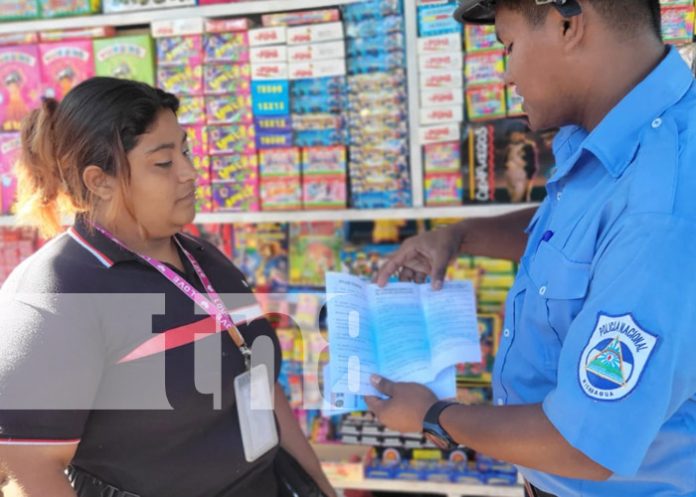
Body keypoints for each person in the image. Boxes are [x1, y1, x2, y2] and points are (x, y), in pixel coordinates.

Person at [370, 1, 696, 496]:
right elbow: (575, 235)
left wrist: (433, 416)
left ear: (569, 24)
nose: (505, 75)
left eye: (509, 45)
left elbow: (583, 444)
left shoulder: (662, 204)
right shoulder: (616, 141)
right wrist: (459, 237)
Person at [0, 77, 335, 497]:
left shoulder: (205, 258)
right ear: (99, 180)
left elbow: (260, 385)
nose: (190, 172)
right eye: (163, 163)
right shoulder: (57, 293)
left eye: (186, 150)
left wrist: (320, 488)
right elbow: (29, 467)